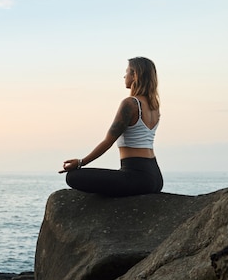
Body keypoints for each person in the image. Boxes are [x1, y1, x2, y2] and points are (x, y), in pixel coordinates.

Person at [60, 57, 163, 196]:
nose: (124, 76)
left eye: (127, 72)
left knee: (72, 177)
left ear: (135, 75)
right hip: (155, 177)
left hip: (138, 177)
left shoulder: (130, 104)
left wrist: (80, 163)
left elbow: (108, 141)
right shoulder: (154, 106)